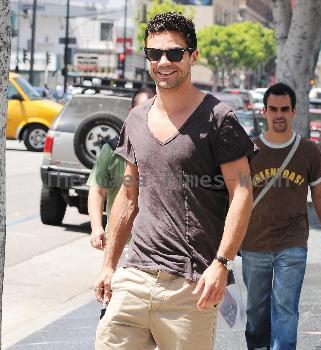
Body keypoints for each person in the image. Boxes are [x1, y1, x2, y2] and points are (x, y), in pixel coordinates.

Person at [94, 12, 256, 350]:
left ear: (193, 56)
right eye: (154, 54)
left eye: (174, 53)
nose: (163, 61)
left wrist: (222, 264)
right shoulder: (136, 119)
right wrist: (109, 264)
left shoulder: (219, 118)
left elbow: (242, 191)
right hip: (134, 277)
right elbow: (127, 196)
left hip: (190, 285)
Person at [240, 83, 321, 350]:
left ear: (293, 111)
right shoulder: (249, 151)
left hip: (293, 243)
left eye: (284, 109)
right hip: (254, 243)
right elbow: (236, 198)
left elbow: (319, 195)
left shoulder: (308, 151)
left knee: (286, 308)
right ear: (264, 111)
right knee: (257, 313)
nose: (278, 114)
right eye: (273, 109)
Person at [87, 87, 156, 251]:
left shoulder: (170, 148)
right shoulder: (112, 149)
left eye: (152, 110)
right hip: (120, 243)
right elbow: (97, 189)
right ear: (131, 112)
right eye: (141, 111)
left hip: (155, 247)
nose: (146, 117)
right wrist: (96, 227)